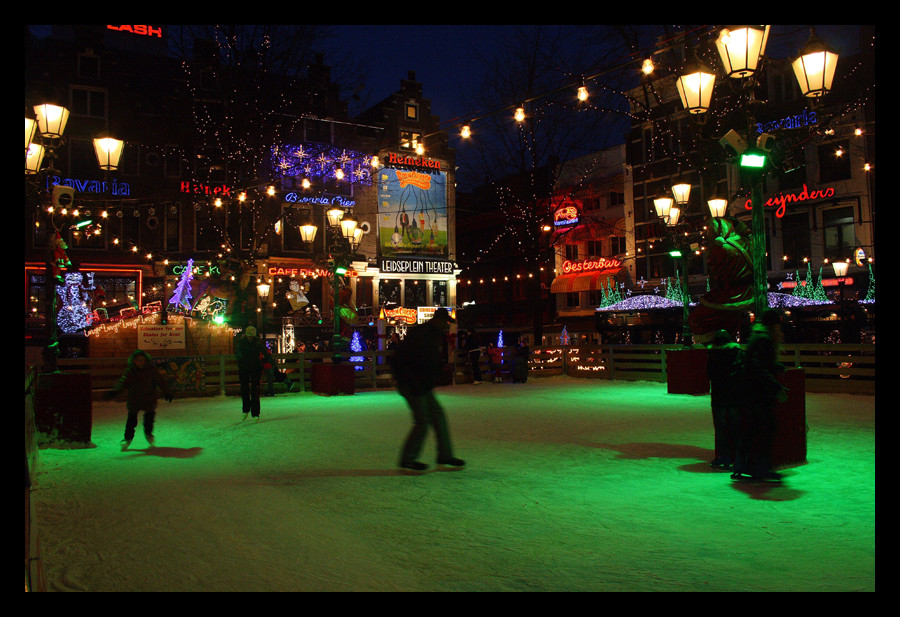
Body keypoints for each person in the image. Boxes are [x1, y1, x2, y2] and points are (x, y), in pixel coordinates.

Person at [391, 308, 465, 472]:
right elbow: (402, 359)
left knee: (438, 415)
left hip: (422, 384)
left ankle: (445, 455)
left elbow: (429, 361)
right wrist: (410, 381)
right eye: (445, 322)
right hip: (411, 384)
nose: (446, 326)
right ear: (437, 320)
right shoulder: (421, 334)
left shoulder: (432, 334)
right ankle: (408, 459)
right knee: (423, 420)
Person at [732, 309, 789, 481]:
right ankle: (759, 467)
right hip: (758, 394)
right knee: (764, 429)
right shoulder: (764, 339)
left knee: (754, 429)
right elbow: (758, 367)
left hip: (752, 393)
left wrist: (775, 366)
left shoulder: (759, 337)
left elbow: (758, 362)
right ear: (773, 325)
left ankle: (745, 465)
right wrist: (776, 387)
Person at [105, 349, 173, 450]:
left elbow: (160, 381)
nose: (140, 362)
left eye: (142, 360)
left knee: (149, 420)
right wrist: (115, 391)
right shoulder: (130, 372)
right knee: (131, 421)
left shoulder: (151, 370)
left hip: (149, 399)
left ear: (146, 361)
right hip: (135, 400)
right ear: (134, 361)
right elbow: (123, 382)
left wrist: (166, 392)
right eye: (138, 360)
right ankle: (127, 438)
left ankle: (148, 433)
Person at [706, 329, 743, 470]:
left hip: (718, 396)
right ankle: (738, 458)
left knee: (721, 429)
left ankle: (724, 457)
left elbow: (709, 374)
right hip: (734, 396)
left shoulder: (712, 355)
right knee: (735, 428)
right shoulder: (737, 353)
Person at [235, 326, 266, 422]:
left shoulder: (257, 343)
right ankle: (246, 409)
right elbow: (238, 354)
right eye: (249, 336)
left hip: (255, 368)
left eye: (251, 336)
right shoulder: (241, 343)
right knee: (244, 389)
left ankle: (255, 413)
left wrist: (266, 361)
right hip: (244, 368)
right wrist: (241, 362)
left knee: (255, 390)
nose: (250, 338)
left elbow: (265, 352)